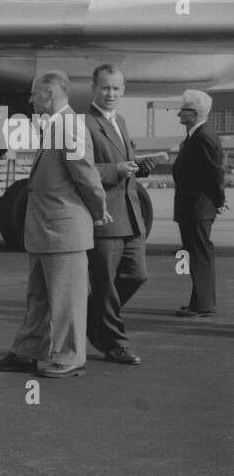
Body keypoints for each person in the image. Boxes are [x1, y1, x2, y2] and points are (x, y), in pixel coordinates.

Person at [0, 72, 110, 377]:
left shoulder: (69, 128)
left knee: (67, 299)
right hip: (46, 229)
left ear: (50, 93)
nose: (29, 99)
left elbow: (86, 174)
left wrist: (99, 209)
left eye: (34, 94)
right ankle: (26, 352)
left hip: (64, 229)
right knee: (38, 297)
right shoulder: (56, 126)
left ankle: (70, 358)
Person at [84, 64, 155, 365]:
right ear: (94, 88)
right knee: (105, 286)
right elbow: (78, 168)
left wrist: (139, 166)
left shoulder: (120, 121)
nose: (110, 93)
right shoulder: (82, 123)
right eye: (105, 87)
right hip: (105, 217)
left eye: (116, 88)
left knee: (137, 275)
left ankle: (90, 316)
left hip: (131, 215)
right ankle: (114, 343)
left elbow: (123, 163)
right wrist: (116, 170)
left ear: (123, 91)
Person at [171, 89, 226, 318]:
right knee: (196, 253)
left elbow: (214, 173)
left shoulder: (203, 137)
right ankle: (200, 301)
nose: (178, 115)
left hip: (197, 206)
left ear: (193, 113)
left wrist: (219, 200)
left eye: (182, 111)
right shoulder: (197, 135)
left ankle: (203, 305)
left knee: (199, 253)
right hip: (193, 206)